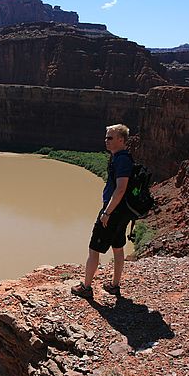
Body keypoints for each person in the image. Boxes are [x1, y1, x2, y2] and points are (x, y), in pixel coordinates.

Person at [71, 123, 133, 299]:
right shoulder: (121, 157)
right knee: (118, 248)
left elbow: (120, 188)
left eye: (110, 137)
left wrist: (106, 213)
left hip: (112, 211)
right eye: (106, 137)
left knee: (94, 249)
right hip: (121, 212)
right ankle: (114, 285)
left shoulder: (121, 159)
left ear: (121, 140)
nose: (106, 141)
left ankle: (86, 287)